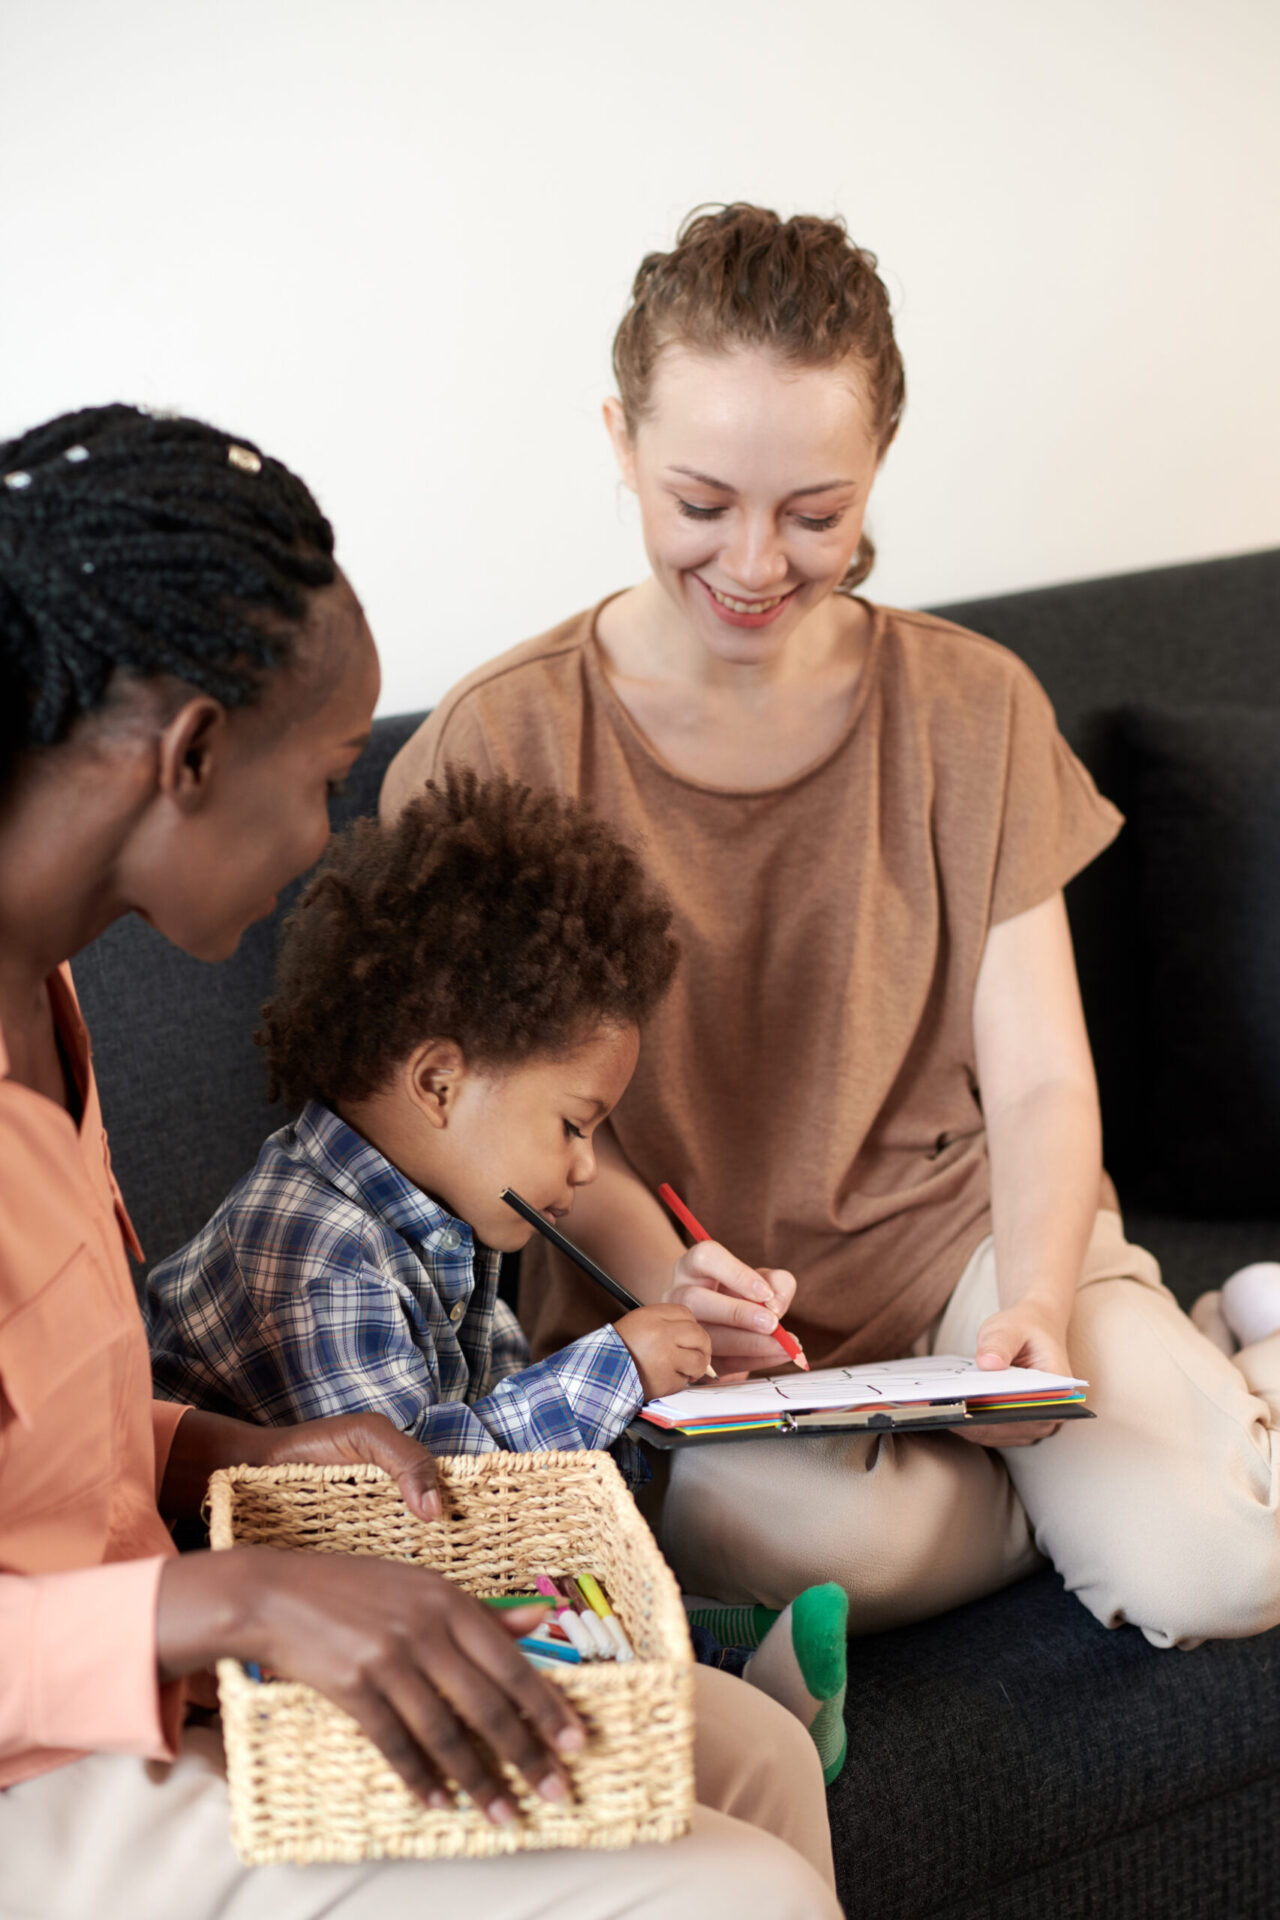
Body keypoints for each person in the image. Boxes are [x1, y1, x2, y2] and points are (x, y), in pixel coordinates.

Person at [383, 202, 1280, 1652]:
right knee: (776, 1546)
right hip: (697, 1322)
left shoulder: (974, 707)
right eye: (699, 501)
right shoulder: (507, 744)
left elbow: (1044, 1077)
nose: (754, 563)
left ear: (876, 472)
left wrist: (1040, 1308)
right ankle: (1190, 1421)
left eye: (814, 513)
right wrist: (675, 1279)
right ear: (619, 444)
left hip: (975, 1254)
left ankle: (1146, 1426)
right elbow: (503, 1133)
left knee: (1218, 1578)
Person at [0, 403, 841, 1920]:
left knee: (764, 1760)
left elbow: (57, 1439)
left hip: (178, 1652)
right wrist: (239, 1591)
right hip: (42, 1768)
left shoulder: (46, 995)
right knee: (742, 1896)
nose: (322, 838)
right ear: (190, 755)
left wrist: (233, 1461)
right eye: (324, 775)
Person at [145, 767, 850, 1783]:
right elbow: (406, 1499)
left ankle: (730, 1655)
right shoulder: (316, 1249)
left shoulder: (449, 1223)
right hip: (300, 1614)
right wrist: (613, 1368)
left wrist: (658, 1394)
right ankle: (734, 1667)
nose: (580, 1169)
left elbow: (506, 1451)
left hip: (393, 1567)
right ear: (438, 1082)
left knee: (601, 1588)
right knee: (537, 1629)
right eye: (573, 1127)